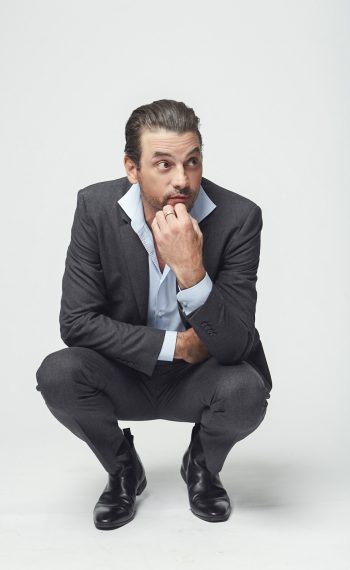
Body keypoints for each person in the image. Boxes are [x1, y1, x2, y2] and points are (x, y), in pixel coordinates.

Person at [36, 99, 272, 530]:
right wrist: (177, 345)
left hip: (200, 381)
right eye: (163, 164)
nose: (182, 179)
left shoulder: (240, 218)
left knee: (246, 391)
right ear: (132, 168)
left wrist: (192, 272)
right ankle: (123, 469)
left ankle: (202, 465)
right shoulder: (95, 208)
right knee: (58, 373)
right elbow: (76, 322)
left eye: (192, 162)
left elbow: (236, 343)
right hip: (125, 372)